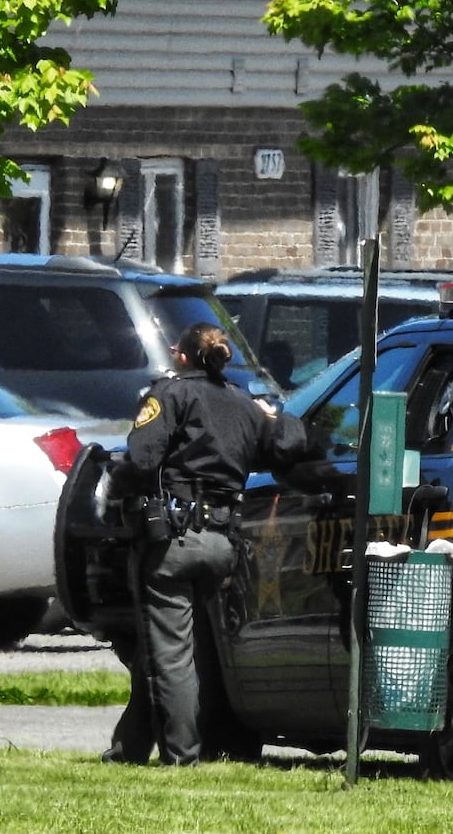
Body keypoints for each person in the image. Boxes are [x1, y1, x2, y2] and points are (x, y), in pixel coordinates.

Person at [104, 323, 308, 767]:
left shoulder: (170, 395)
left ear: (183, 357)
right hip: (223, 544)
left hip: (173, 542)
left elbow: (141, 459)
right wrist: (274, 415)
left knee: (171, 653)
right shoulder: (242, 403)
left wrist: (114, 484)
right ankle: (129, 748)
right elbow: (291, 445)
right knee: (167, 647)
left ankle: (183, 755)